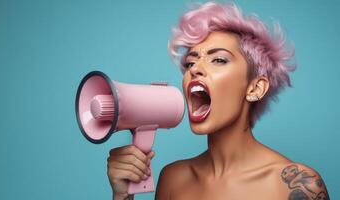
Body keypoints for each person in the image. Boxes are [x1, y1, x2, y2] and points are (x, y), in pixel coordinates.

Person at [106, 2, 329, 200]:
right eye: (190, 63)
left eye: (219, 60)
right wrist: (123, 195)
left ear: (255, 88)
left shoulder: (296, 184)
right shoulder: (173, 179)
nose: (196, 70)